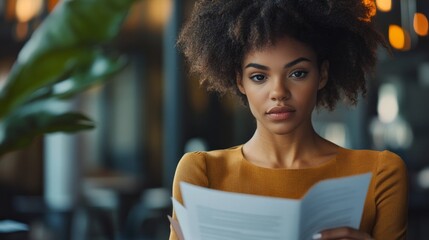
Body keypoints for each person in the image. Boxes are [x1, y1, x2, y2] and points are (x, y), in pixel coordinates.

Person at [170, 0, 408, 239]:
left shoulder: (380, 174)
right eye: (259, 76)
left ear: (322, 75)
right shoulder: (202, 173)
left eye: (297, 73)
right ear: (240, 81)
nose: (279, 92)